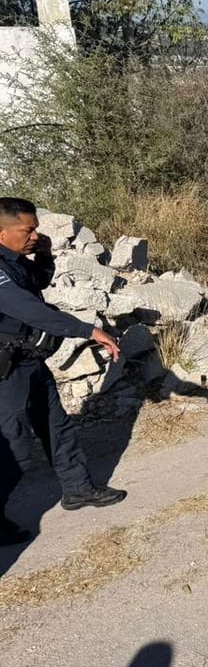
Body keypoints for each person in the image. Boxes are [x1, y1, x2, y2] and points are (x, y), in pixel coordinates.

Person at [0, 198, 125, 544]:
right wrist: (89, 330)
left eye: (36, 228)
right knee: (14, 445)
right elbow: (31, 311)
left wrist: (43, 254)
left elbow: (37, 283)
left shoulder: (15, 260)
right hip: (6, 374)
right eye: (27, 230)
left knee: (58, 427)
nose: (34, 234)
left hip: (30, 360)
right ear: (1, 232)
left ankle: (78, 489)